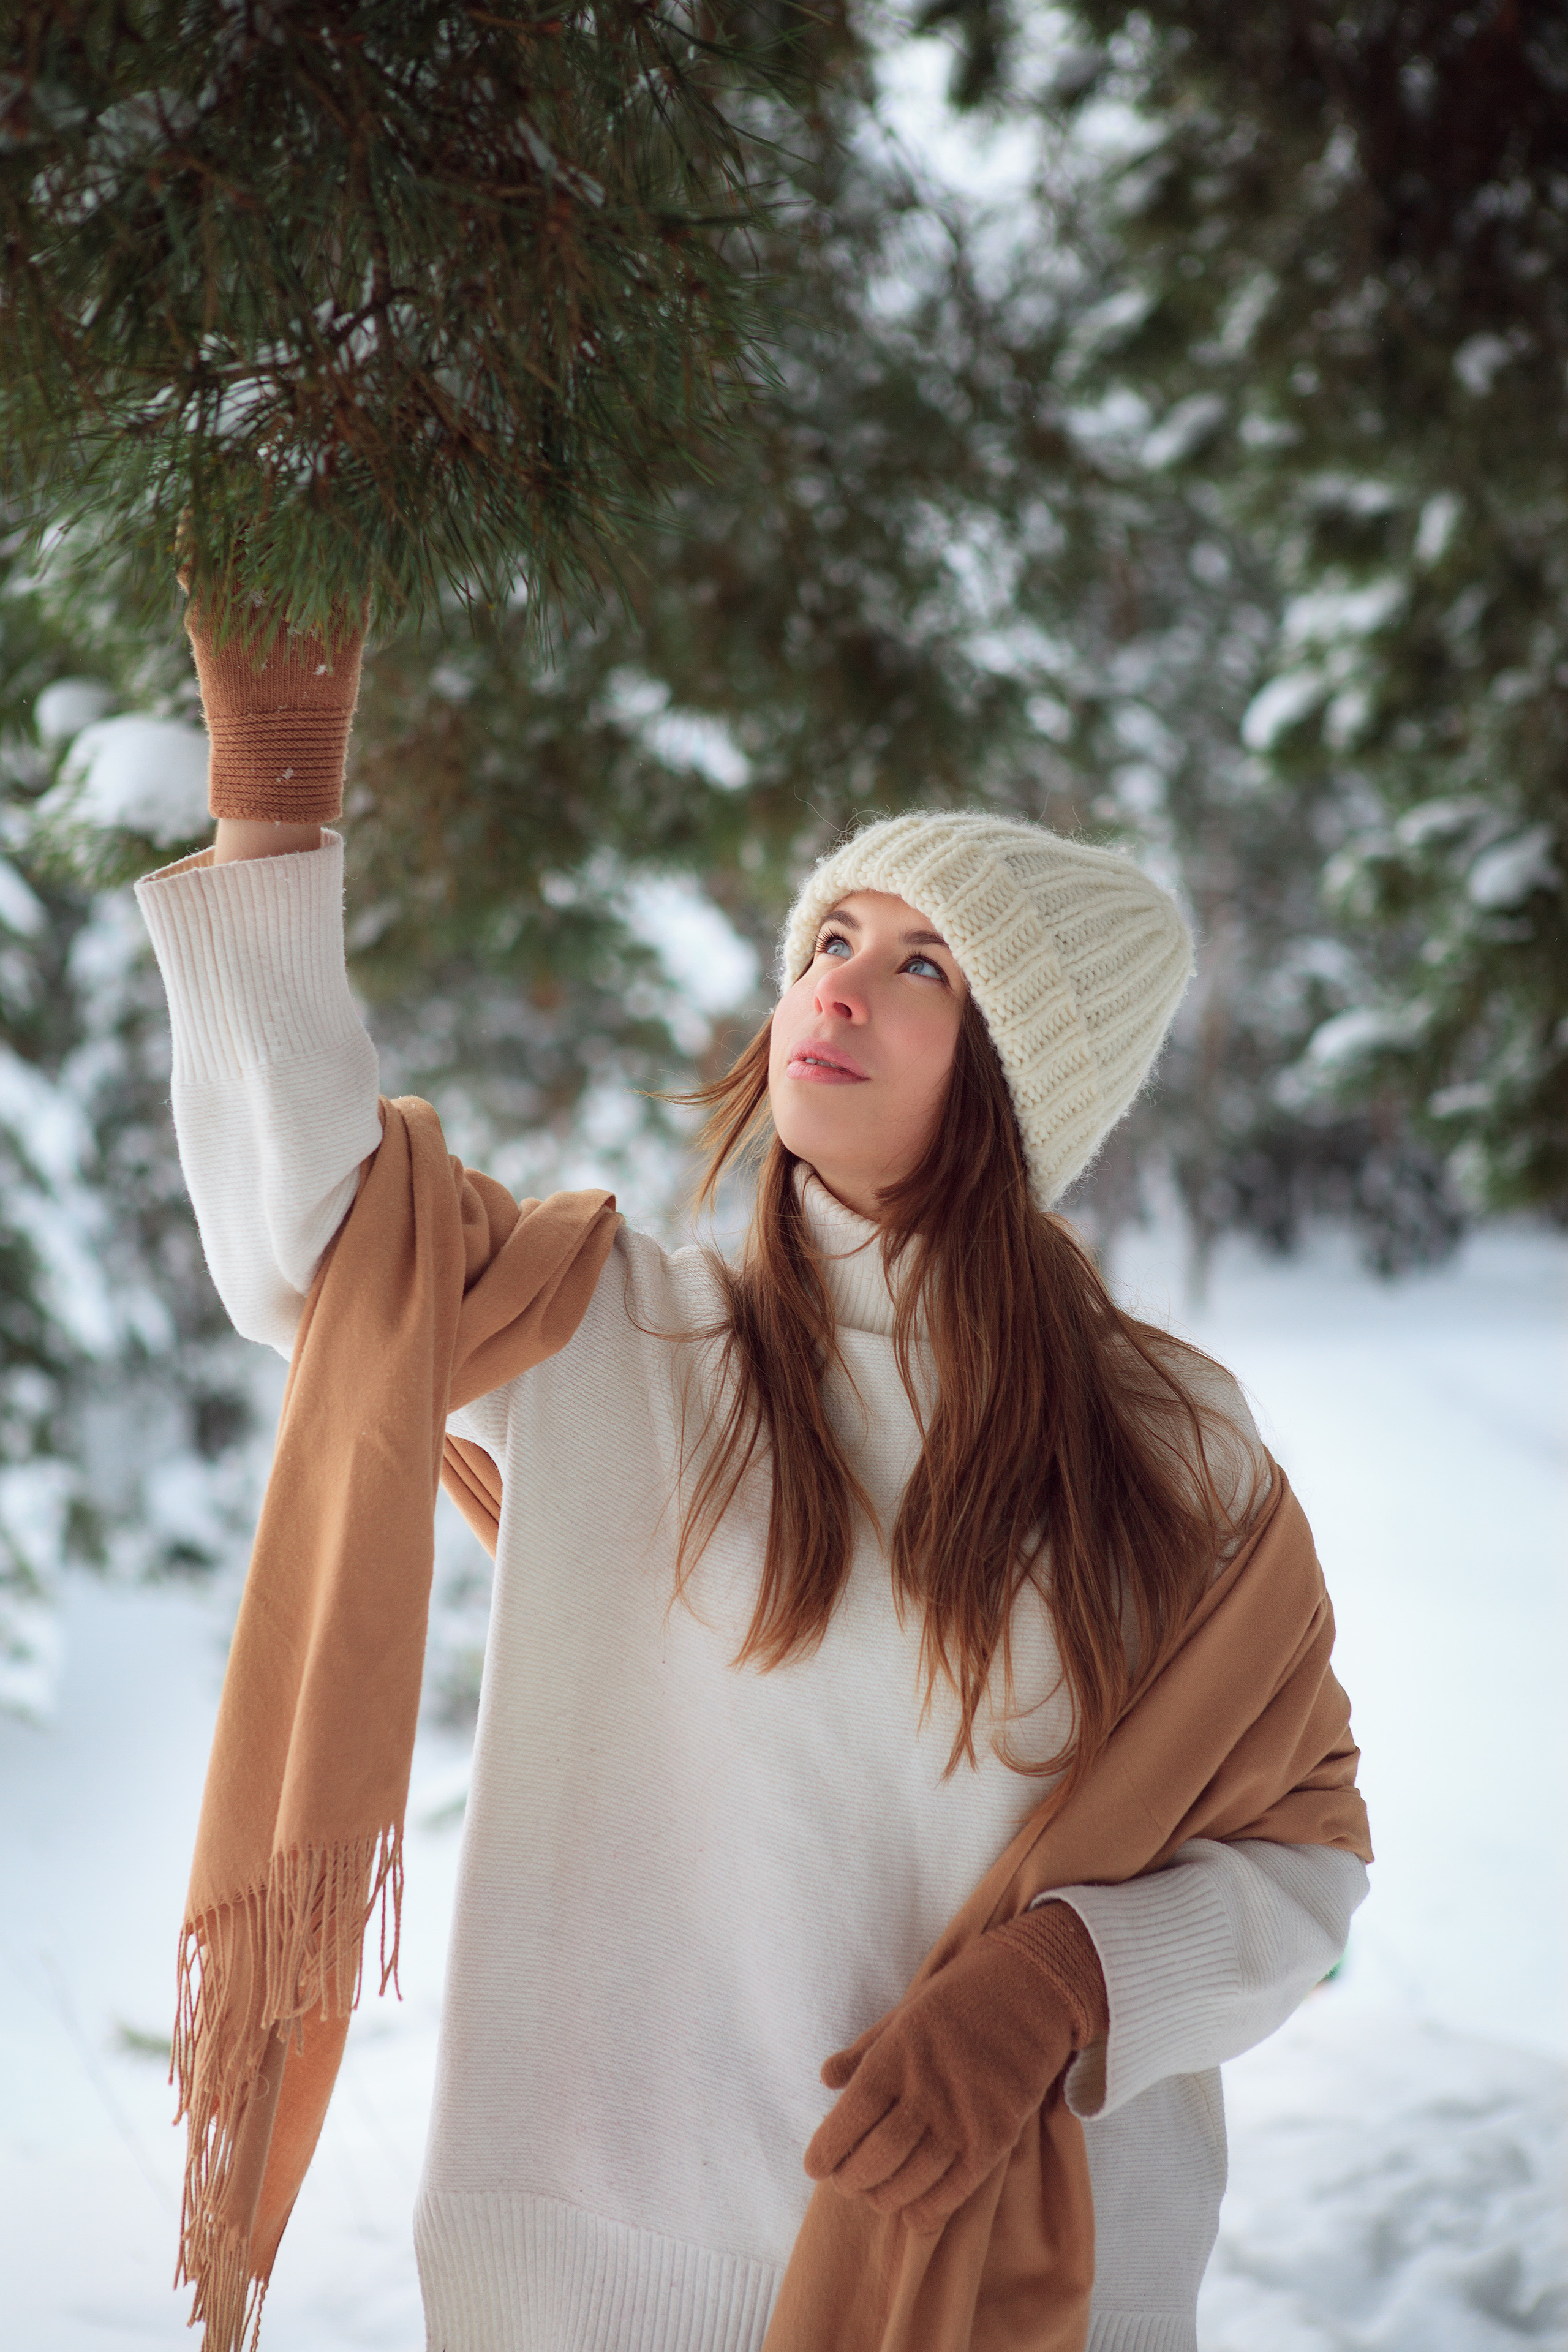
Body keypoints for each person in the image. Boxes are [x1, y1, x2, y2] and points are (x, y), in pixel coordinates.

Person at [137, 603, 1370, 2352]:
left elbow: (1306, 1863)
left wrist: (1069, 1981)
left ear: (1024, 1086)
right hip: (606, 2286)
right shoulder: (613, 1339)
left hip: (1017, 2302)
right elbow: (321, 1252)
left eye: (926, 968)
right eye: (834, 937)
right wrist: (273, 810)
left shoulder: (1174, 1448)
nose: (841, 986)